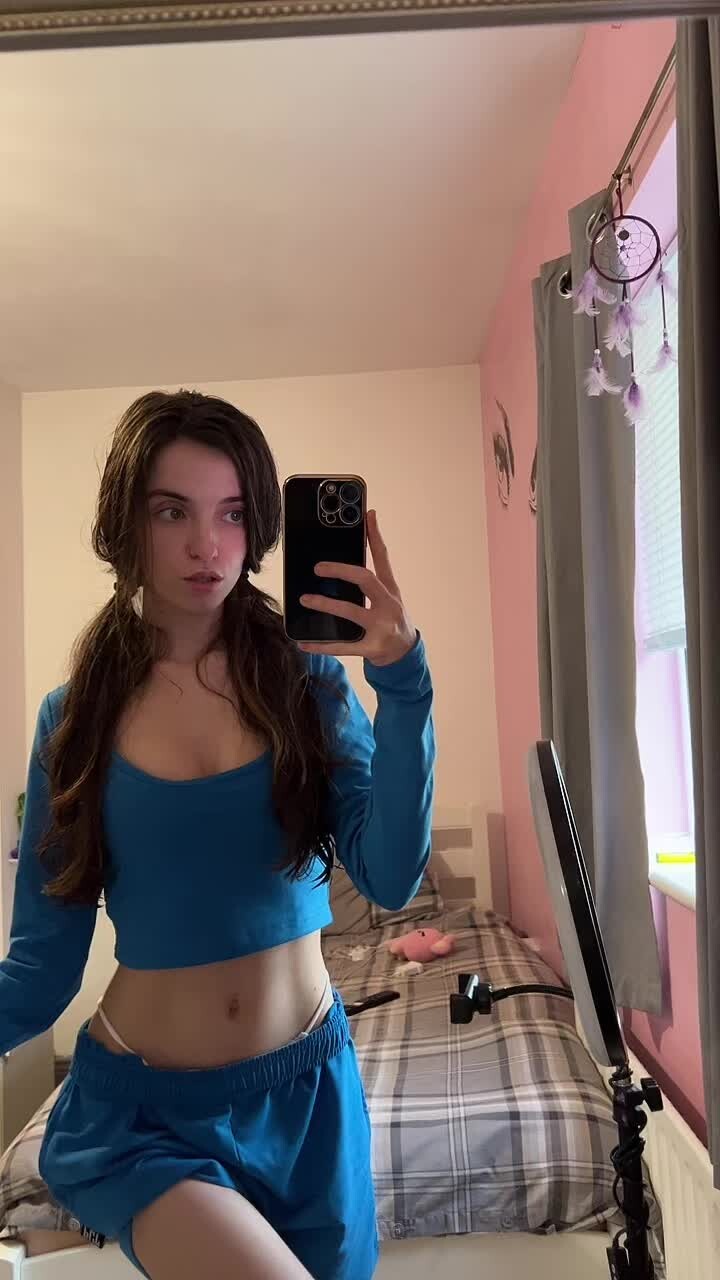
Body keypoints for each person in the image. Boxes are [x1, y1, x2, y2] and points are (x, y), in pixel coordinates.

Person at [0, 390, 435, 1280]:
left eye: (233, 514)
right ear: (128, 523)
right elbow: (42, 970)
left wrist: (402, 681)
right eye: (174, 512)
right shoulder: (73, 721)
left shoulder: (307, 682)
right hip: (148, 1121)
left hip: (311, 1102)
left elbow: (391, 876)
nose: (208, 546)